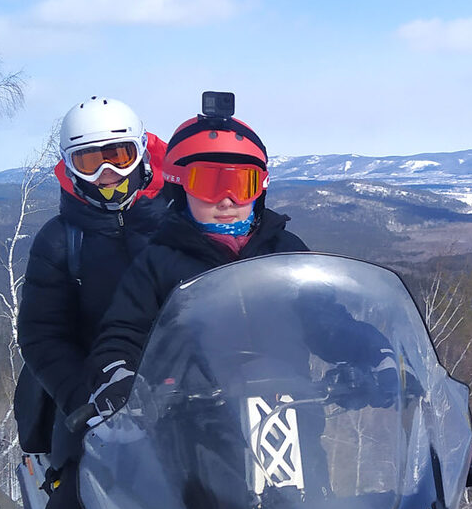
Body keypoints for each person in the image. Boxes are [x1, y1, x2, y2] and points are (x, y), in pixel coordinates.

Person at [19, 96, 166, 509]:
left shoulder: (179, 222)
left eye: (119, 155)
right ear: (69, 166)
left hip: (185, 395)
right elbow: (41, 334)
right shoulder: (62, 241)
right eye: (89, 161)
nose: (107, 173)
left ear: (144, 153)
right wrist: (90, 395)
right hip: (97, 403)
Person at [83, 94, 312, 423]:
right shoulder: (159, 261)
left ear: (260, 189)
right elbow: (122, 333)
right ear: (179, 189)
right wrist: (118, 376)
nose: (227, 200)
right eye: (208, 184)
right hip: (195, 427)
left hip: (292, 421)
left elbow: (330, 319)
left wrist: (373, 356)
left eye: (241, 184)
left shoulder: (285, 251)